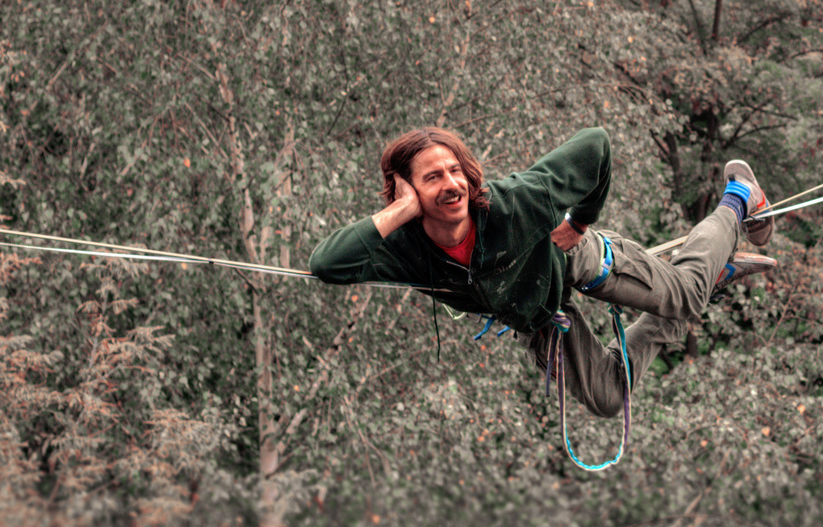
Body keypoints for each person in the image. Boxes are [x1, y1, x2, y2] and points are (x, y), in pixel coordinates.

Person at [308, 126, 775, 419]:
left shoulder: (516, 200)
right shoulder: (404, 250)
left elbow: (596, 145)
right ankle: (712, 273)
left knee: (687, 294)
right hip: (536, 310)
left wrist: (580, 220)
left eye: (455, 172)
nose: (451, 185)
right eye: (432, 178)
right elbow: (327, 265)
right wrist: (400, 210)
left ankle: (739, 197)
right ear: (406, 190)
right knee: (609, 398)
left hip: (574, 259)